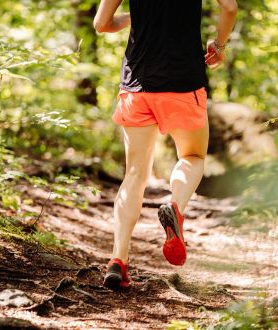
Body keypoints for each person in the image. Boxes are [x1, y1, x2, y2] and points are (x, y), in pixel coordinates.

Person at [93, 0, 238, 288]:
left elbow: (101, 25)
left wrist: (138, 17)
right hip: (184, 81)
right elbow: (230, 8)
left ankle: (118, 260)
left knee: (134, 173)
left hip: (138, 83)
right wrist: (218, 47)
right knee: (193, 155)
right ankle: (175, 205)